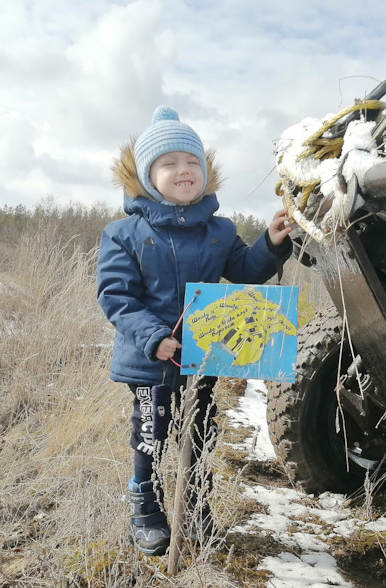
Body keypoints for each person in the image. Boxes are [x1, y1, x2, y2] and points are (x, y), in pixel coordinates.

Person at [97, 106, 293, 556]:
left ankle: (195, 506)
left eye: (191, 163)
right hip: (150, 361)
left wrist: (271, 242)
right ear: (147, 177)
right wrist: (153, 337)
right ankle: (144, 505)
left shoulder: (220, 231)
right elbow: (117, 297)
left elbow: (245, 271)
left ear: (205, 173)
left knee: (200, 430)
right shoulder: (124, 233)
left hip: (202, 359)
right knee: (152, 432)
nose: (183, 171)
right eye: (169, 164)